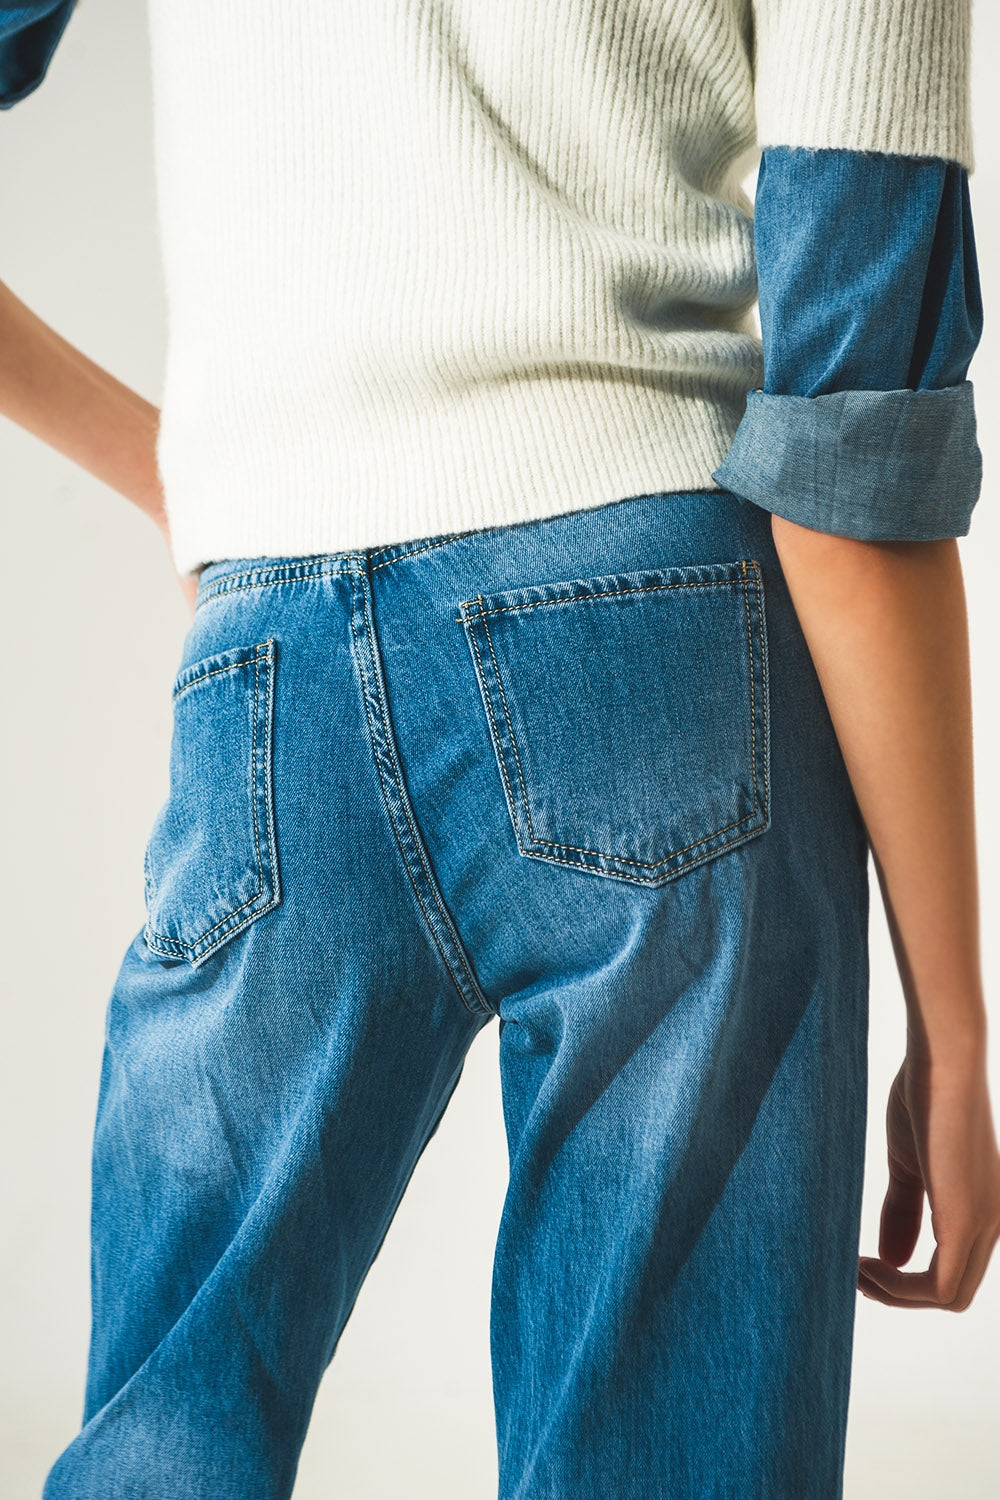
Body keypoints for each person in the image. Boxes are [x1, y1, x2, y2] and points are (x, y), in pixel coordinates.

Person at [2, 2, 998, 1496]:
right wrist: (957, 1028)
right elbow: (853, 471)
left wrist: (206, 473)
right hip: (663, 649)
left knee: (169, 1426)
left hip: (266, 660)